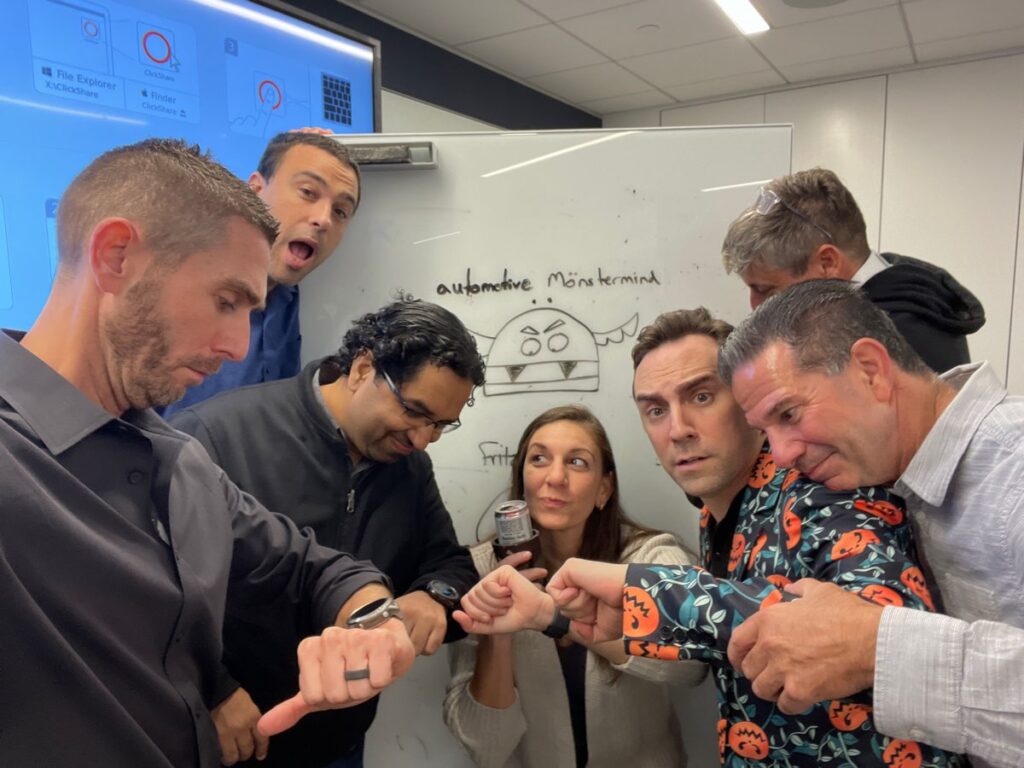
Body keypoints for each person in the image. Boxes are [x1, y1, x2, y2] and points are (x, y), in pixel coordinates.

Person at [0, 139, 415, 768]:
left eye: (250, 311)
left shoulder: (182, 462)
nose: (237, 347)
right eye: (225, 302)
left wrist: (376, 625)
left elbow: (314, 569)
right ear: (116, 256)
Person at [463, 309, 964, 766]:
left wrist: (645, 596)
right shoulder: (719, 517)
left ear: (747, 404)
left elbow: (892, 633)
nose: (678, 429)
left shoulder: (817, 488)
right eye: (655, 410)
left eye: (701, 397)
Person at [715, 279, 1024, 768]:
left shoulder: (1014, 468)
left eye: (789, 413)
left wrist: (878, 649)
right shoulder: (892, 478)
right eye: (765, 433)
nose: (781, 455)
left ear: (871, 370)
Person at [170, 297, 483, 767]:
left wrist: (432, 596)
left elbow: (450, 564)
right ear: (361, 369)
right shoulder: (213, 436)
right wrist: (210, 690)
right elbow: (151, 593)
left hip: (340, 745)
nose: (422, 439)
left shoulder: (409, 468)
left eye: (440, 425)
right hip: (231, 742)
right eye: (415, 412)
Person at [444, 404, 706, 768]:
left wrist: (556, 618)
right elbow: (485, 746)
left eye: (577, 462)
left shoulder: (649, 556)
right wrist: (497, 633)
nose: (555, 478)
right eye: (539, 459)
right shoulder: (480, 570)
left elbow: (691, 665)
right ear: (522, 480)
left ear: (604, 489)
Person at [161, 130, 360, 417]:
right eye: (307, 192)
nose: (324, 219)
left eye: (340, 211)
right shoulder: (177, 284)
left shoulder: (287, 293)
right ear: (254, 191)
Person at [721, 167, 984, 372]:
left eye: (765, 289)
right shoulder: (898, 300)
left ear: (827, 263)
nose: (755, 304)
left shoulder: (899, 337)